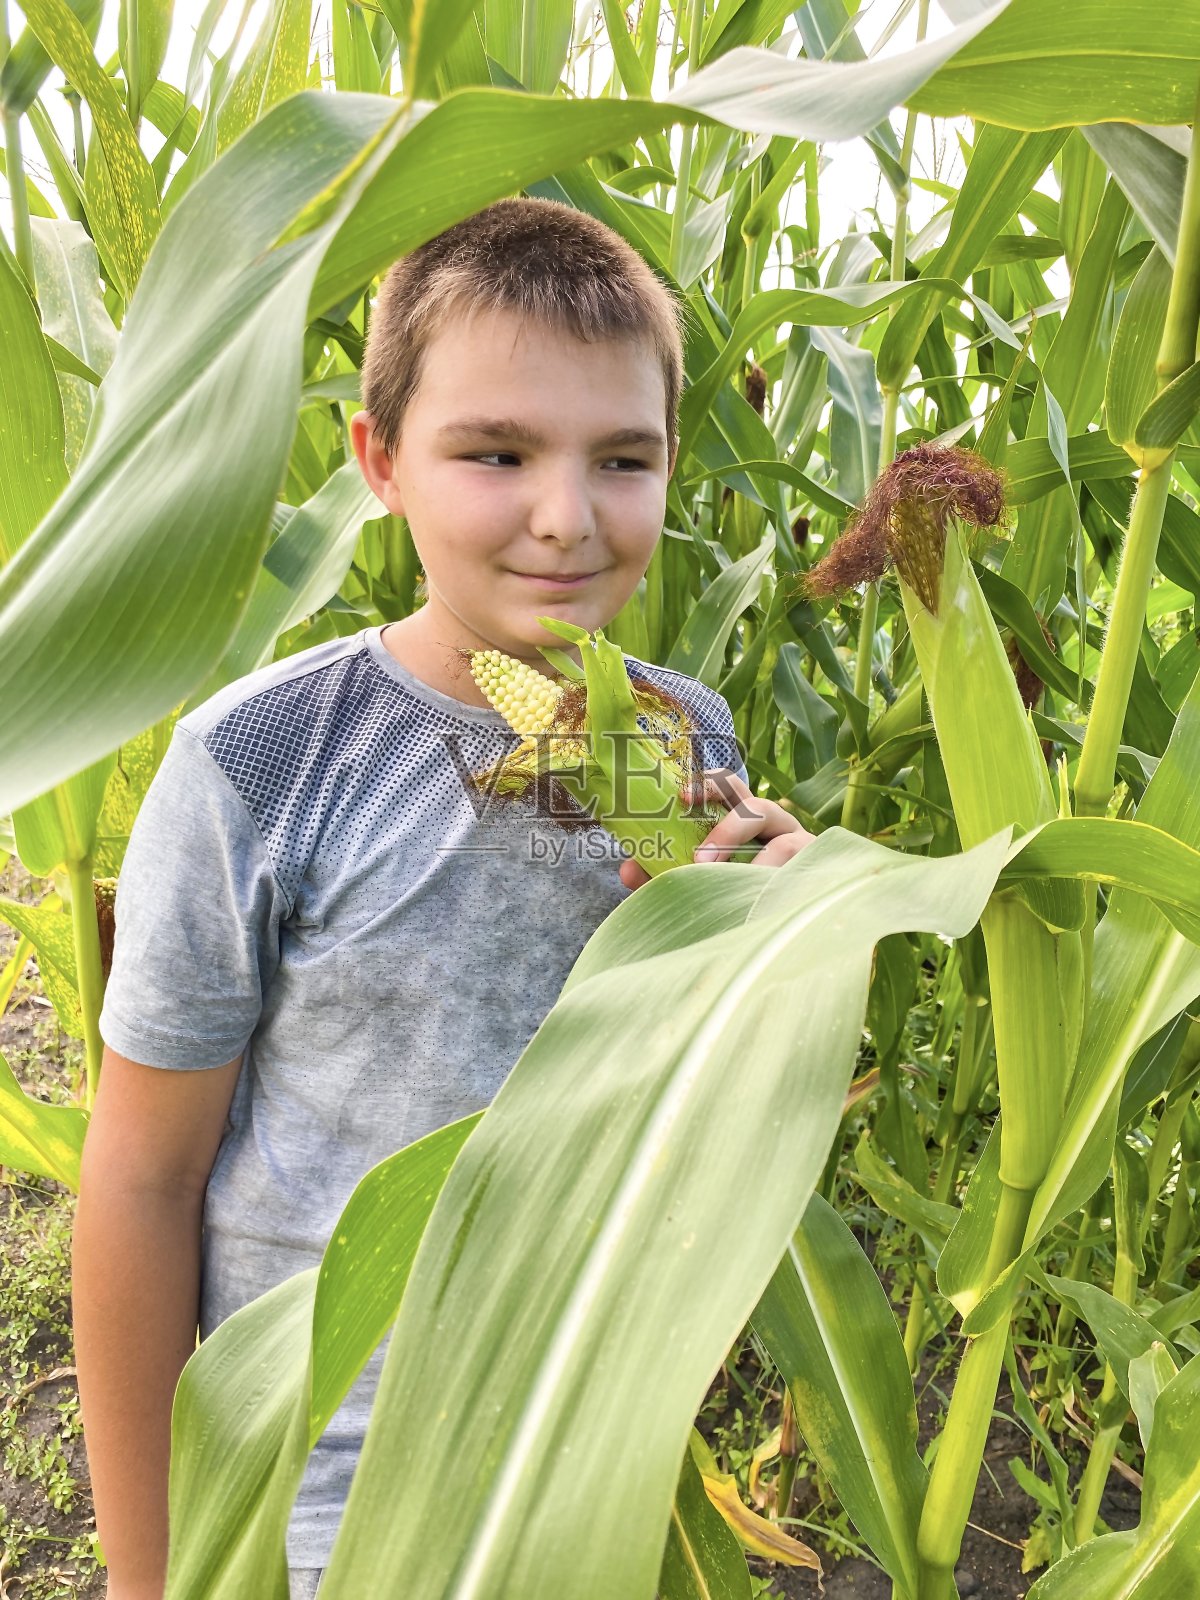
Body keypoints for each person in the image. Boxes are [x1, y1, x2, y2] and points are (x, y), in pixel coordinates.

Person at [72, 196, 813, 1600]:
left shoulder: (690, 735)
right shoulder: (262, 761)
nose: (566, 517)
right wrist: (146, 1571)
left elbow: (693, 1105)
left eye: (624, 459)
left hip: (589, 1440)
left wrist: (758, 936)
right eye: (497, 453)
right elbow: (142, 1176)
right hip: (319, 1482)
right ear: (381, 461)